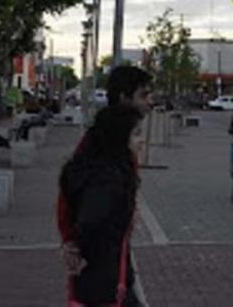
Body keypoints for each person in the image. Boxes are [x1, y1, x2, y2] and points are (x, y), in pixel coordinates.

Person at [58, 65, 153, 304]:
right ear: (123, 98)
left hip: (111, 265)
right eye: (143, 95)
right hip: (103, 272)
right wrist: (74, 242)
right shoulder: (101, 148)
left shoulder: (113, 145)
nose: (149, 102)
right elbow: (73, 199)